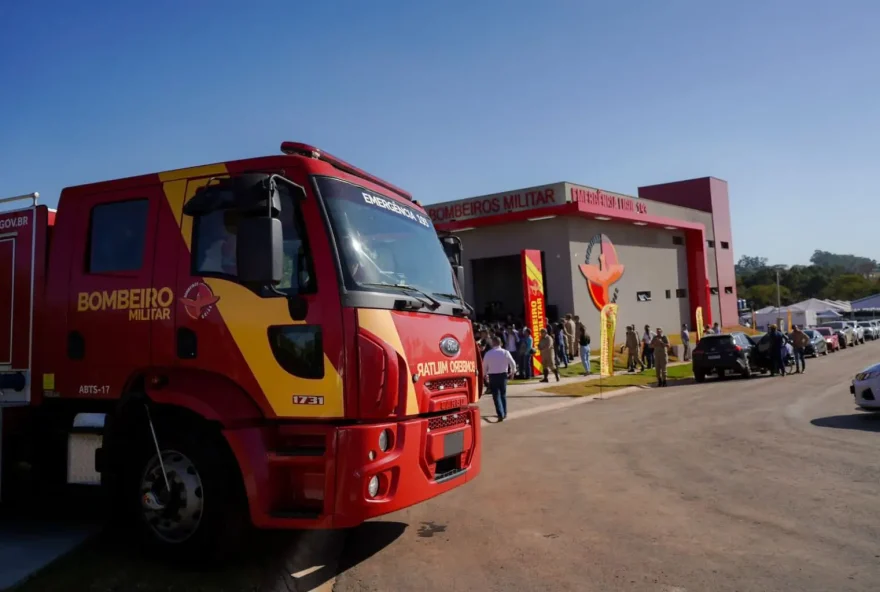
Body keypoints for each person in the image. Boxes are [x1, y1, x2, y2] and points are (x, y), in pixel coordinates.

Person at [482, 336, 517, 421]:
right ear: (500, 343)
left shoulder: (488, 353)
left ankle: (500, 413)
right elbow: (513, 363)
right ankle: (504, 412)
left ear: (493, 343)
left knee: (496, 395)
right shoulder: (505, 352)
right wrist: (513, 372)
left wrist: (484, 375)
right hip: (503, 375)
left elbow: (484, 366)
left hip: (493, 376)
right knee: (503, 394)